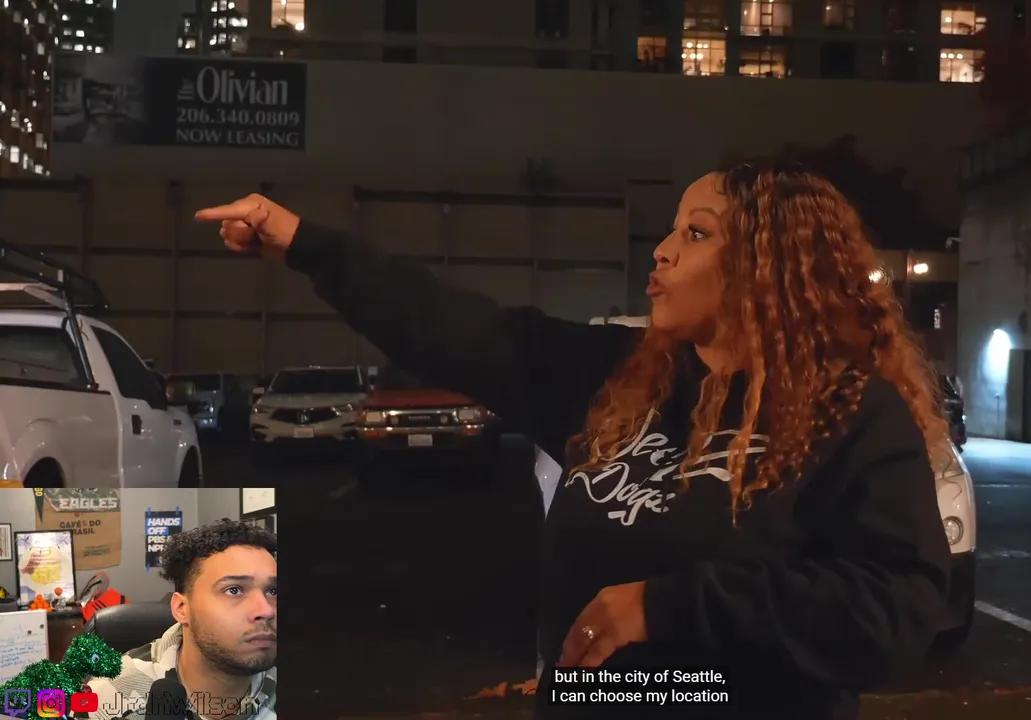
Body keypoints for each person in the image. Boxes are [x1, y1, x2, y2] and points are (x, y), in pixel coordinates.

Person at [195, 158, 951, 719]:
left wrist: (671, 606)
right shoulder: (618, 377)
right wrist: (304, 244)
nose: (662, 250)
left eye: (696, 233)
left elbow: (897, 609)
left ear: (770, 267)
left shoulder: (851, 412)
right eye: (670, 228)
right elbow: (452, 328)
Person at [75, 520, 277, 720]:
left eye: (273, 591)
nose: (266, 610)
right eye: (233, 590)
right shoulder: (105, 700)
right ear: (181, 608)